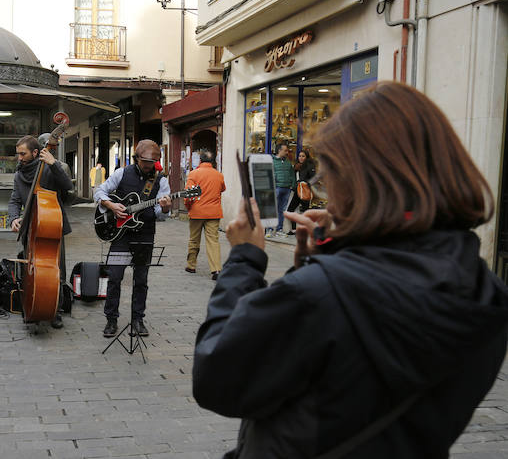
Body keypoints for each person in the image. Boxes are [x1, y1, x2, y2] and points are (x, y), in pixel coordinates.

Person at [192, 82, 508, 458]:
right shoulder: (484, 291)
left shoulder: (323, 292)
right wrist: (339, 253)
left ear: (359, 181)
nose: (327, 192)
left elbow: (217, 377)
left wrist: (244, 259)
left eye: (328, 177)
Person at [94, 140, 171, 338]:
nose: (149, 165)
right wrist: (111, 206)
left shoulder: (161, 181)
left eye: (153, 162)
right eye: (145, 161)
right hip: (121, 236)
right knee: (115, 277)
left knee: (141, 280)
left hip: (145, 235)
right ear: (137, 158)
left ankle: (138, 319)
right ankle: (111, 320)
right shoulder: (122, 173)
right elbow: (99, 191)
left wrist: (164, 208)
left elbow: (160, 215)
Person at [8, 134, 73, 329]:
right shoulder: (19, 174)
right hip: (30, 228)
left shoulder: (49, 168)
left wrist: (53, 164)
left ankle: (55, 309)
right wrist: (13, 218)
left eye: (23, 154)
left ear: (35, 152)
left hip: (50, 226)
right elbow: (14, 200)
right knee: (32, 270)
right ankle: (34, 303)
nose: (19, 158)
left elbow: (68, 187)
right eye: (18, 154)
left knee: (56, 270)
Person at [184, 151, 225, 279]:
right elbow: (222, 189)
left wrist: (188, 207)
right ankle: (216, 270)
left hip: (197, 212)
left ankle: (191, 266)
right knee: (213, 240)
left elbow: (188, 195)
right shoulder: (219, 175)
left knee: (194, 239)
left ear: (200, 161)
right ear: (213, 161)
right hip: (214, 212)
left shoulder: (194, 174)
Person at [286, 148, 317, 234]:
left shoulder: (310, 166)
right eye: (300, 156)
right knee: (290, 210)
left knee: (306, 212)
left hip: (305, 191)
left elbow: (314, 179)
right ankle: (294, 229)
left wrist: (305, 183)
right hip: (297, 191)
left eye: (303, 156)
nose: (301, 158)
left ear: (307, 157)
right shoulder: (297, 166)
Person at [269, 143, 294, 237]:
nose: (287, 152)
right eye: (285, 150)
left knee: (282, 210)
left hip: (287, 188)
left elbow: (292, 174)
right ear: (279, 150)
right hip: (277, 188)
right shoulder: (272, 161)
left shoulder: (287, 162)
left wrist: (292, 184)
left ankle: (279, 229)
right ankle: (270, 229)